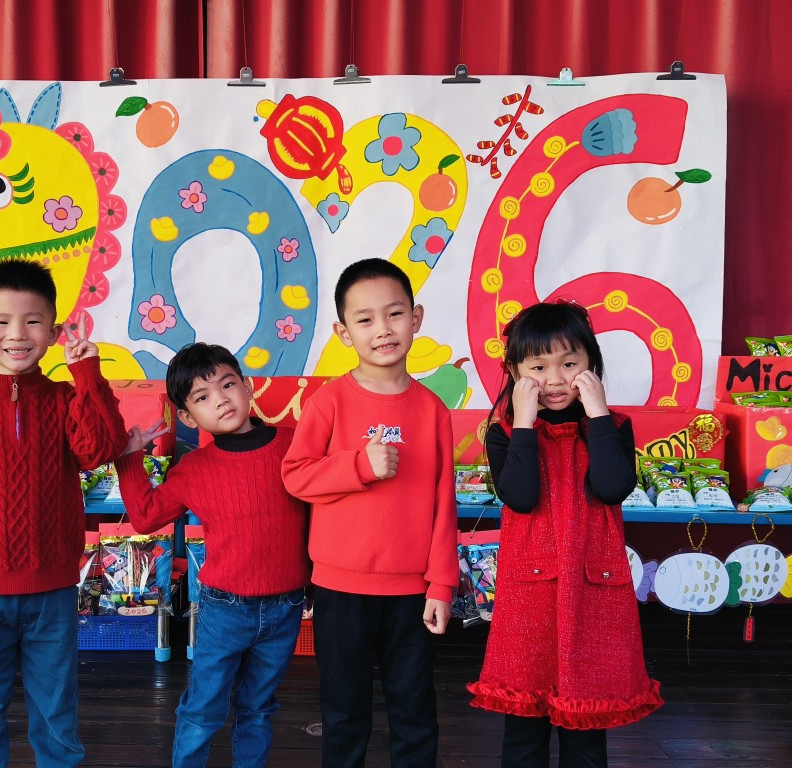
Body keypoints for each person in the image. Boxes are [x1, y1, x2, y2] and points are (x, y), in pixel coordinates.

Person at [0, 258, 127, 768]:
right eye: (2, 321)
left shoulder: (64, 399)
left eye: (33, 321)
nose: (17, 334)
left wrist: (87, 372)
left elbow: (100, 448)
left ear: (53, 333)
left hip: (50, 591)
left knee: (56, 717)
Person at [467, 300, 664, 768]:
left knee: (586, 728)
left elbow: (611, 487)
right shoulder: (504, 431)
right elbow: (520, 496)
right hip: (530, 594)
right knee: (524, 727)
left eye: (570, 363)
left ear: (591, 363)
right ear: (514, 371)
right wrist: (522, 422)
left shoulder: (614, 426)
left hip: (594, 592)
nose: (555, 379)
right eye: (538, 367)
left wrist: (598, 415)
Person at [281, 257, 457, 768]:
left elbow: (443, 502)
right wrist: (360, 465)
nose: (383, 329)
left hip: (412, 592)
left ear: (416, 318)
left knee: (415, 711)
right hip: (341, 590)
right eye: (365, 319)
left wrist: (441, 584)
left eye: (395, 313)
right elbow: (296, 477)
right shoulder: (328, 402)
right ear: (344, 333)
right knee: (344, 712)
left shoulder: (432, 410)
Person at [117, 342, 311, 768]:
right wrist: (130, 459)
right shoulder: (194, 469)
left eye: (227, 385)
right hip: (225, 609)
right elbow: (146, 516)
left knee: (258, 706)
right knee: (204, 708)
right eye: (202, 397)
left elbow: (326, 505)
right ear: (188, 417)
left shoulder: (295, 444)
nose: (221, 399)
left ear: (247, 386)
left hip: (287, 605)